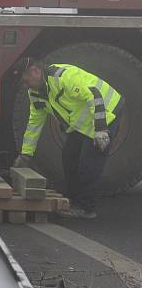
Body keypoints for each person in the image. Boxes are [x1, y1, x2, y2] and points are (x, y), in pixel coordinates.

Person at [12, 57, 123, 219]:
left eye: (26, 79)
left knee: (88, 163)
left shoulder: (63, 78)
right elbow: (34, 123)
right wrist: (26, 154)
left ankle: (86, 208)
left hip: (106, 112)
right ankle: (74, 202)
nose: (25, 84)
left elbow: (95, 96)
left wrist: (101, 130)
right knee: (69, 157)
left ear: (35, 71)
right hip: (83, 123)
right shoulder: (35, 94)